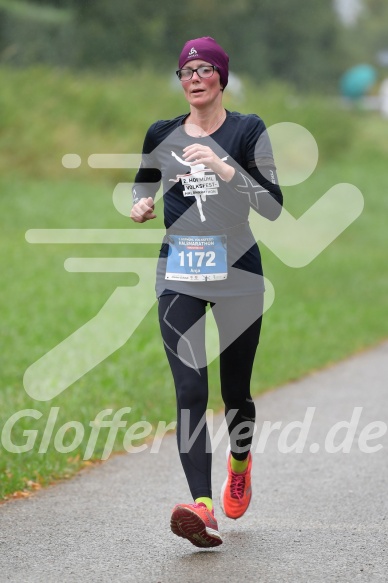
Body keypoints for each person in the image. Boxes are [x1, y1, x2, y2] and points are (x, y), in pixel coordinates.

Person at [130, 37, 283, 548]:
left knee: (233, 393)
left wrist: (224, 168)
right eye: (185, 71)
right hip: (179, 270)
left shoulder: (248, 129)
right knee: (191, 390)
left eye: (203, 69)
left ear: (221, 76)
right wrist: (141, 205)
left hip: (238, 270)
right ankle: (201, 506)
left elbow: (273, 206)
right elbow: (143, 183)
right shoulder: (162, 133)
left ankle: (240, 463)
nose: (193, 77)